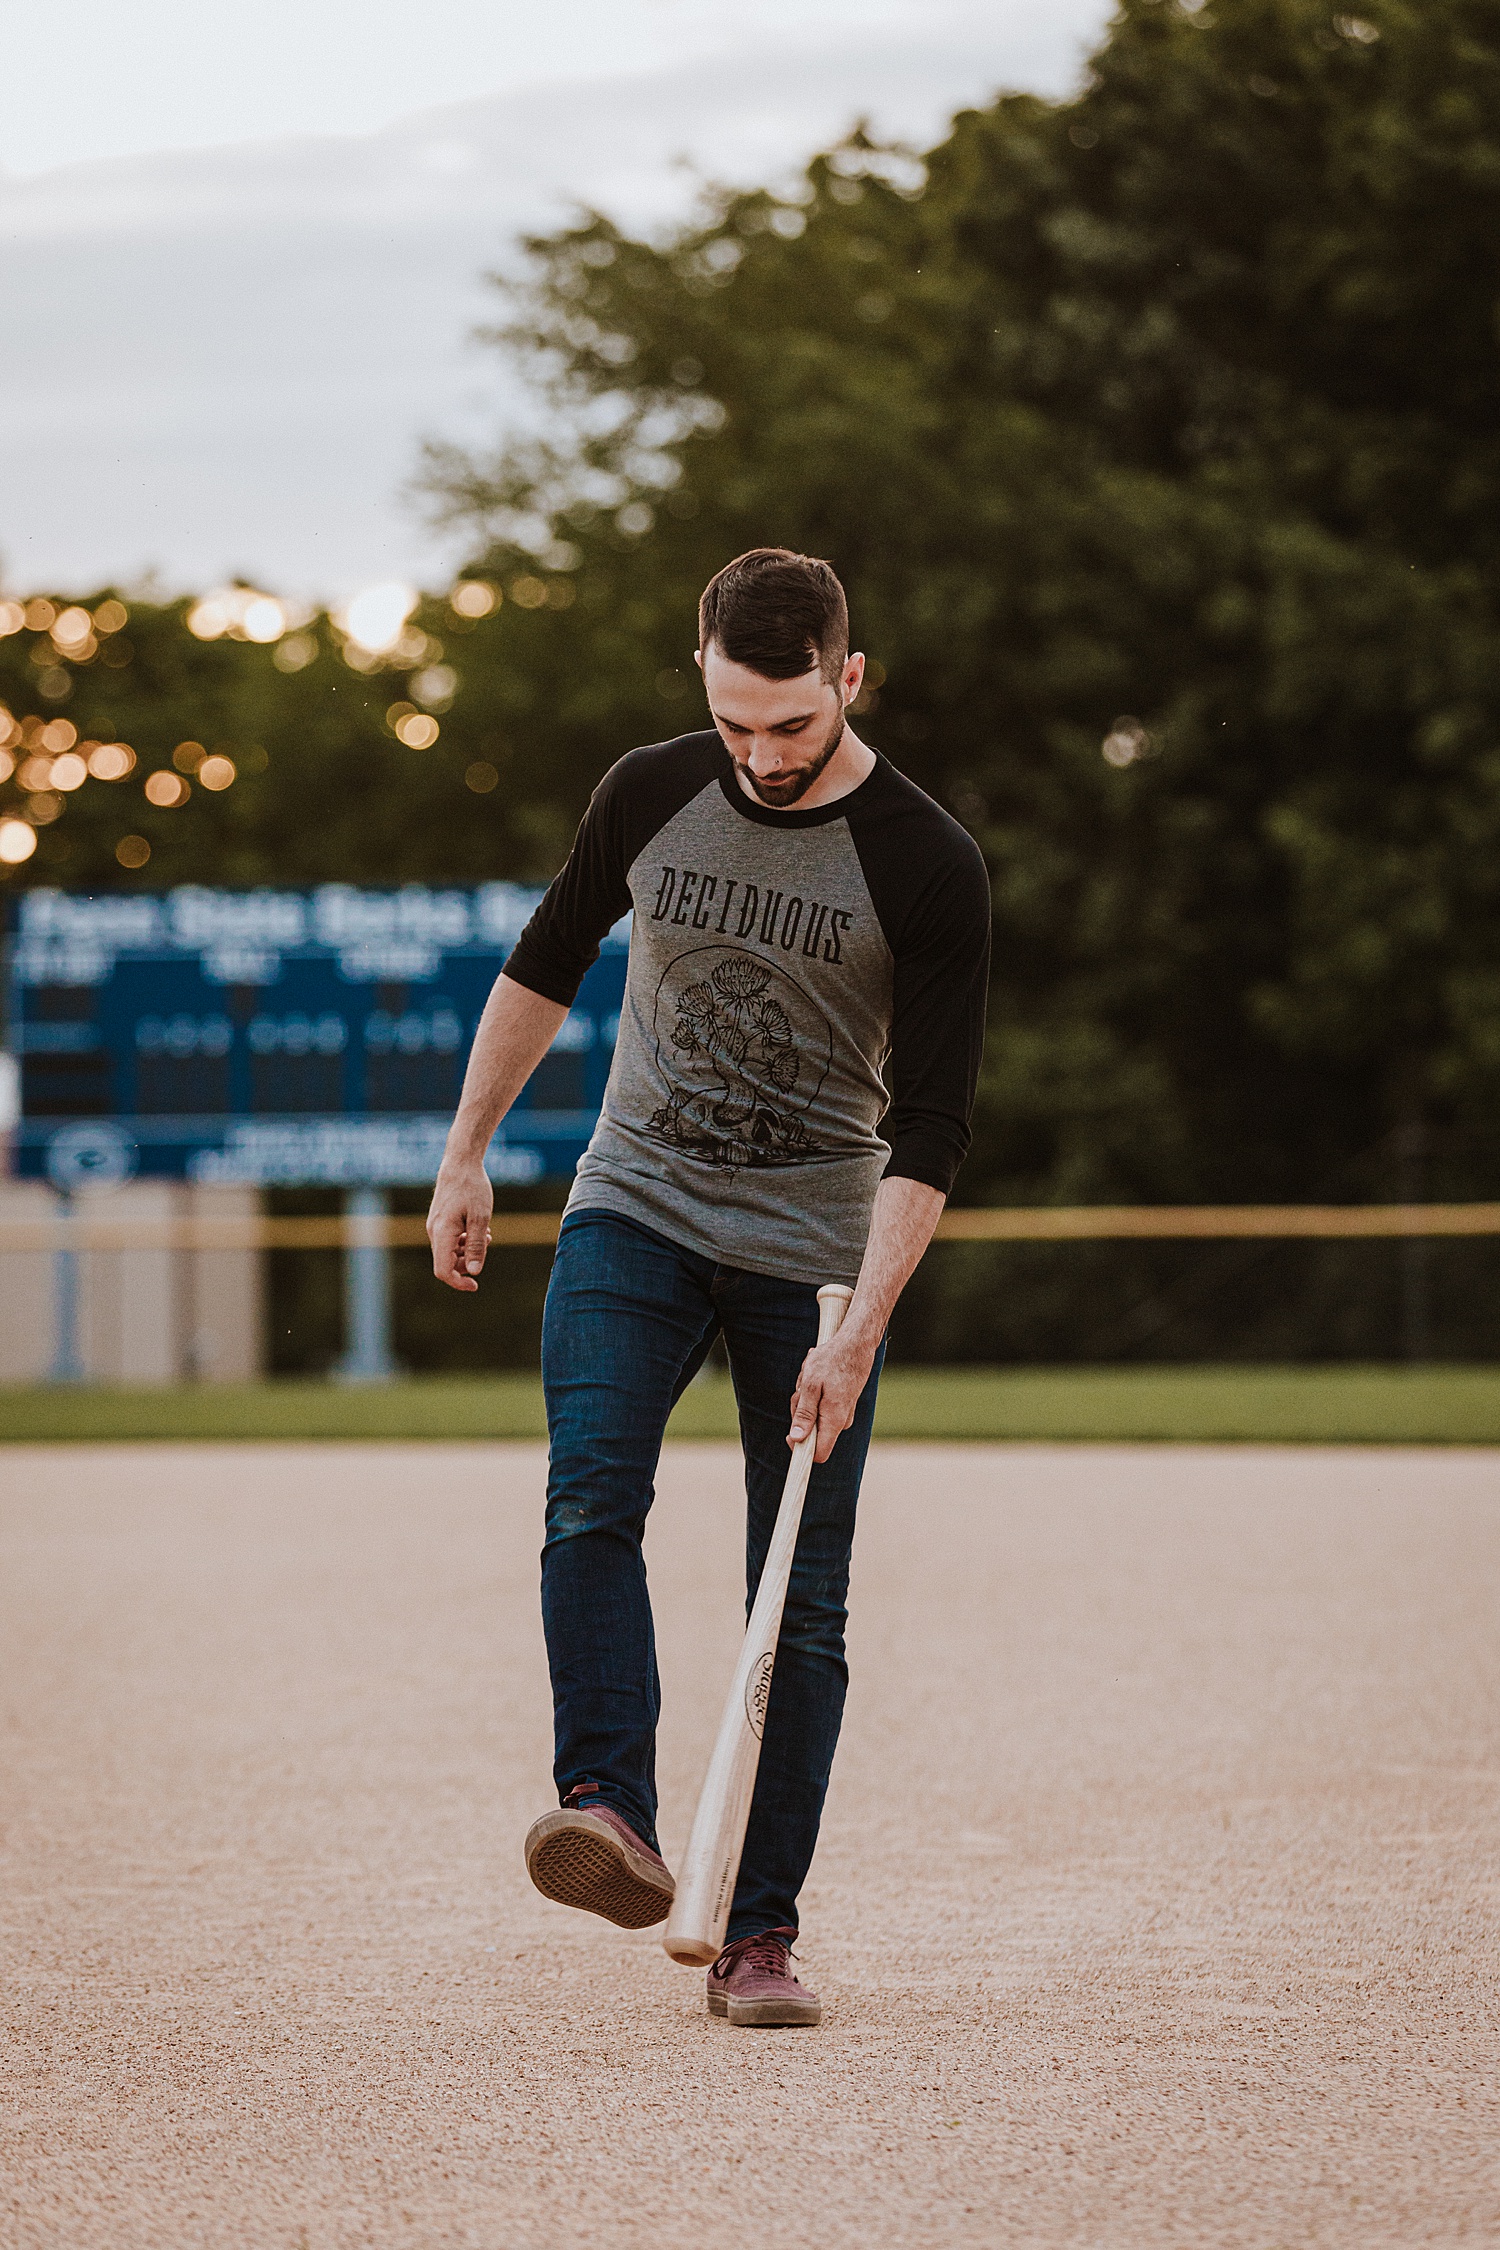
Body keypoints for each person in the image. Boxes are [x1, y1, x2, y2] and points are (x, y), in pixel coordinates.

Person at [427, 548, 990, 2028]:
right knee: (589, 1491)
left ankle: (759, 1932)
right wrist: (466, 1154)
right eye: (735, 721)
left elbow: (930, 1125)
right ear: (705, 681)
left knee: (796, 1603)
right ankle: (607, 1805)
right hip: (635, 1208)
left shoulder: (927, 861)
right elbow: (546, 960)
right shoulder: (649, 789)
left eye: (791, 726)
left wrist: (859, 1330)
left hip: (811, 1256)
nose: (760, 755)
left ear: (849, 680)